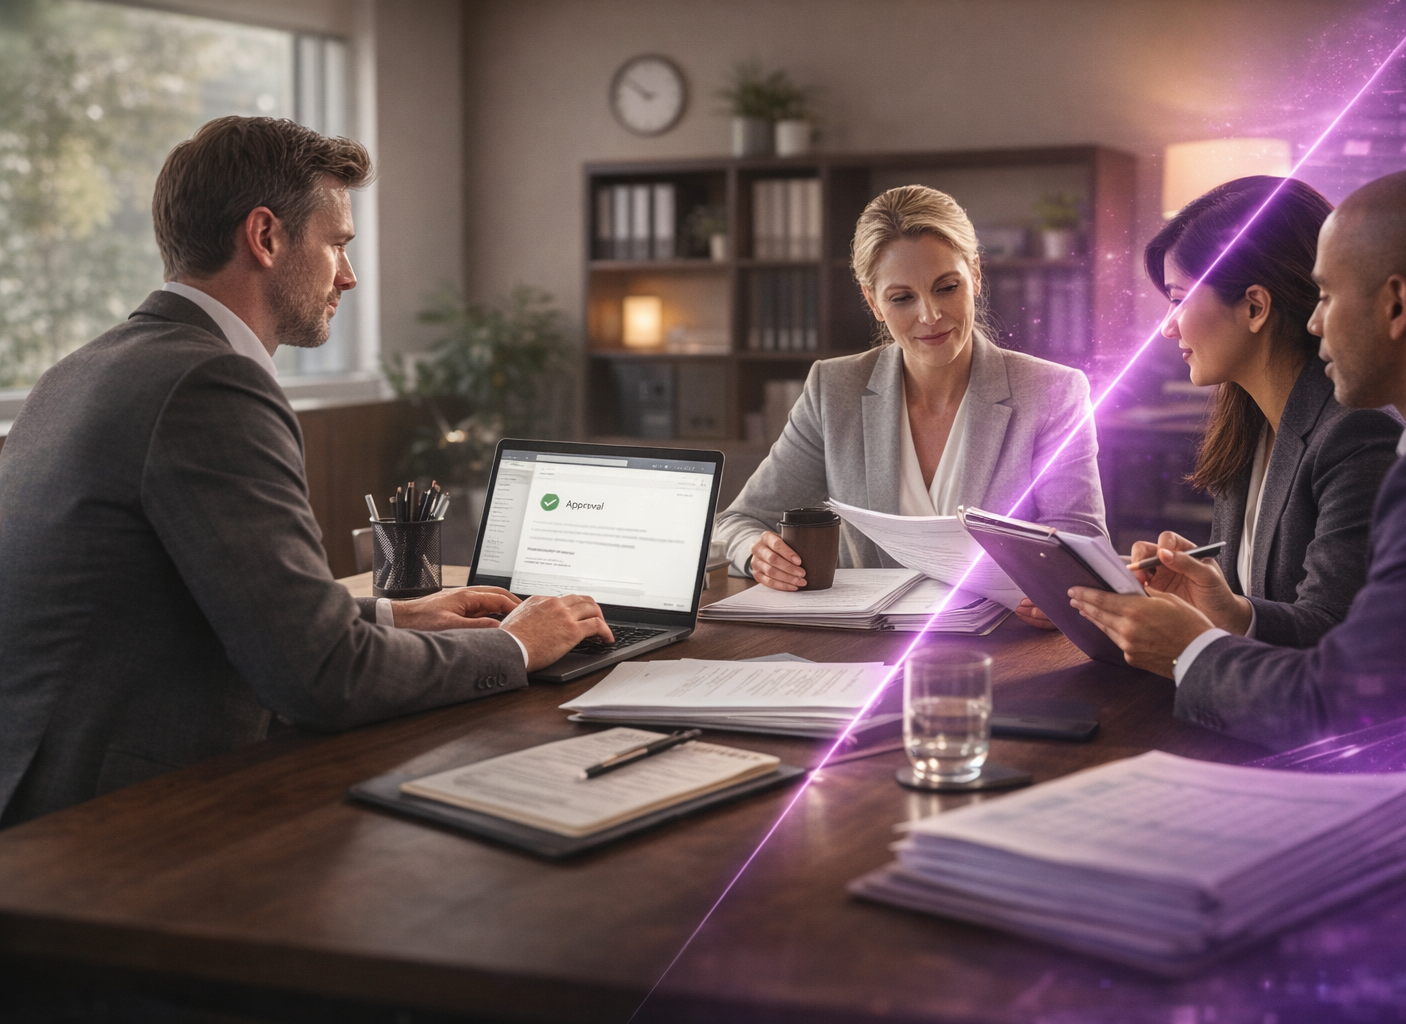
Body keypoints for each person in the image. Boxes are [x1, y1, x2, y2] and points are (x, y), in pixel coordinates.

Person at [0, 116, 612, 826]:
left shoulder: (80, 370)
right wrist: (514, 646)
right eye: (337, 245)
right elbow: (321, 678)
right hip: (108, 828)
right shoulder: (211, 384)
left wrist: (392, 614)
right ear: (265, 237)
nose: (348, 276)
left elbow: (174, 611)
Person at [1069, 165, 1406, 751]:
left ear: (1396, 304)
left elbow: (1343, 700)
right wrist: (1229, 614)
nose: (1314, 320)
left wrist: (1189, 649)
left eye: (1328, 296)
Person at [714, 185, 1106, 626]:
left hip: (1004, 641)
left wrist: (1061, 590)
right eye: (902, 298)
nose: (930, 316)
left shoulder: (1053, 392)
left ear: (975, 275)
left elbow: (1081, 542)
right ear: (873, 301)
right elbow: (742, 519)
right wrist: (758, 554)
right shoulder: (834, 389)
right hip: (861, 652)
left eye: (946, 287)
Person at [1130, 177, 1401, 648]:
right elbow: (1251, 600)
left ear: (1254, 306)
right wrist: (1197, 592)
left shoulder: (1358, 436)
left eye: (1177, 300)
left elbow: (1336, 633)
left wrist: (1231, 613)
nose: (1167, 329)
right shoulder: (1249, 422)